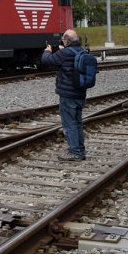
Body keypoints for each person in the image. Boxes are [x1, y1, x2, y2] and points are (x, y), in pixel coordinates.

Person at [41, 29, 86, 162]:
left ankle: (75, 152)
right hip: (80, 93)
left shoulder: (65, 53)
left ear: (66, 41)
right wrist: (62, 49)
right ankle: (80, 149)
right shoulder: (82, 50)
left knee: (69, 123)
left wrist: (48, 50)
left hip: (67, 94)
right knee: (78, 122)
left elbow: (47, 61)